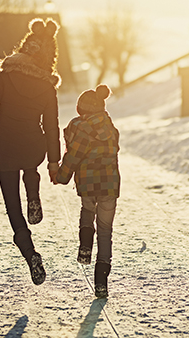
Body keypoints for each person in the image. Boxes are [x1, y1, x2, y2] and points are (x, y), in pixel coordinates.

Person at [0, 18, 62, 285]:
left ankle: (30, 253)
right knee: (30, 167)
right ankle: (33, 191)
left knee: (12, 205)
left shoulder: (7, 76)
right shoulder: (47, 87)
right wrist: (54, 162)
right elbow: (53, 127)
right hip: (34, 145)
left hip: (5, 146)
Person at [54, 84, 120, 298]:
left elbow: (74, 156)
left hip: (89, 184)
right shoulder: (111, 128)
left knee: (87, 211)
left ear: (81, 109)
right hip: (109, 185)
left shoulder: (81, 128)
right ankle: (101, 281)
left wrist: (61, 177)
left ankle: (85, 247)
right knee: (105, 231)